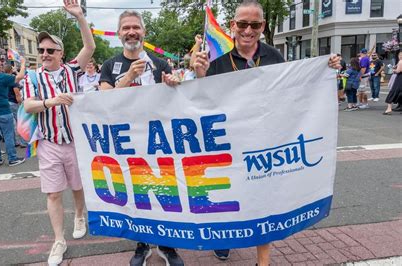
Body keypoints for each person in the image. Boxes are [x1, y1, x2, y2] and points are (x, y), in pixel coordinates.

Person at [193, 1, 340, 264]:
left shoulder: (274, 56)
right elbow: (201, 103)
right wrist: (200, 76)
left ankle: (264, 261)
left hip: (264, 143)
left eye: (255, 24)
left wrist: (325, 68)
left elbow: (295, 89)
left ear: (263, 26)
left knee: (263, 200)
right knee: (228, 196)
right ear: (232, 26)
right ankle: (225, 240)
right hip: (229, 146)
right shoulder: (217, 61)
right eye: (242, 24)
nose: (248, 30)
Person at [99, 10, 182, 266]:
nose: (131, 31)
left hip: (158, 142)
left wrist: (174, 82)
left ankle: (167, 245)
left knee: (166, 191)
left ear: (144, 32)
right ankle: (142, 244)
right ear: (119, 33)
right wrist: (129, 77)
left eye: (136, 27)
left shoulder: (159, 63)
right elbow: (103, 100)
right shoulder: (109, 65)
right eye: (126, 28)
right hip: (126, 145)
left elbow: (176, 93)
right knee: (136, 195)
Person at [22, 1, 95, 264]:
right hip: (49, 142)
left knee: (77, 186)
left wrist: (79, 16)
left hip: (75, 142)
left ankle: (79, 214)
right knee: (53, 193)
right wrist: (49, 102)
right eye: (42, 50)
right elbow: (28, 105)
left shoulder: (73, 69)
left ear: (61, 53)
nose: (44, 54)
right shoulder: (32, 77)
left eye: (50, 50)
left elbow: (90, 47)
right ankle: (58, 241)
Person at [4, 64, 27, 148]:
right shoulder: (12, 79)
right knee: (20, 122)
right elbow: (17, 93)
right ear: (11, 70)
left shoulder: (2, 79)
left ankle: (14, 141)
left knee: (10, 124)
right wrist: (20, 103)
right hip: (13, 102)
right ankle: (23, 142)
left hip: (6, 102)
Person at [383, 51, 402, 115]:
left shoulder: (401, 61)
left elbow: (398, 71)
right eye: (399, 55)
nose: (400, 56)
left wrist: (393, 70)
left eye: (400, 55)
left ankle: (389, 109)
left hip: (399, 78)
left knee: (393, 92)